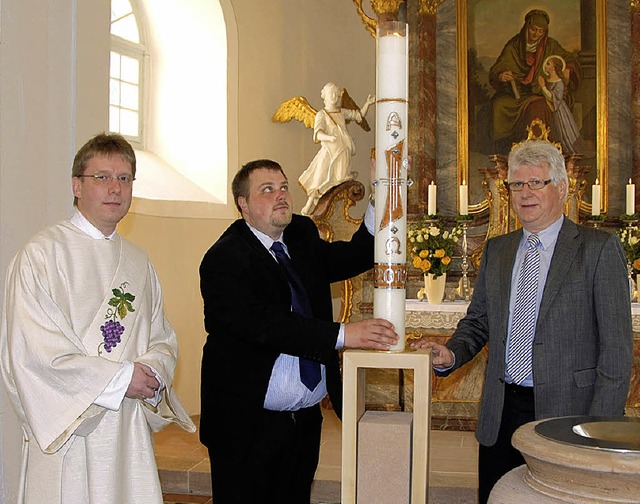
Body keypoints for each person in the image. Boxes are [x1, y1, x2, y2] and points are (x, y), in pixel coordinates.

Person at [411, 140, 633, 503]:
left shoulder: (596, 249)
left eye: (536, 183)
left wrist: (599, 429)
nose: (524, 193)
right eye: (516, 184)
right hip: (501, 412)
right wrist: (450, 354)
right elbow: (478, 322)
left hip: (568, 415)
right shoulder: (498, 250)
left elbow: (616, 351)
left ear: (561, 188)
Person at [0, 133, 196, 503]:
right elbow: (33, 354)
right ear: (77, 185)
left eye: (124, 178)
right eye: (102, 177)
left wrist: (152, 371)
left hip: (126, 434)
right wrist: (122, 379)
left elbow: (162, 337)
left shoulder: (139, 262)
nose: (115, 189)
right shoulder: (41, 256)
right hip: (68, 435)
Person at [199, 158, 398, 503]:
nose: (280, 196)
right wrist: (342, 334)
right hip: (247, 425)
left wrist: (381, 191)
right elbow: (264, 325)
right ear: (243, 205)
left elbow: (356, 256)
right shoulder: (224, 258)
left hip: (303, 423)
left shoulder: (301, 235)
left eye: (283, 187)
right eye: (267, 190)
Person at [489, 9, 581, 153]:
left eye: (540, 31)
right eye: (533, 29)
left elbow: (568, 59)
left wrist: (568, 68)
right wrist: (501, 75)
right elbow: (499, 67)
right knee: (499, 106)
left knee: (538, 107)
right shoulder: (514, 46)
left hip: (540, 92)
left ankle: (538, 150)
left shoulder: (550, 45)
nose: (536, 34)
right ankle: (505, 149)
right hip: (516, 93)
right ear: (526, 27)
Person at [299, 82, 375, 215]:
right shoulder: (321, 114)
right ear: (325, 96)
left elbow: (358, 115)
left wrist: (367, 104)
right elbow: (318, 133)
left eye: (336, 94)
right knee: (320, 177)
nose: (334, 96)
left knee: (341, 180)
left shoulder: (341, 112)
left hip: (343, 150)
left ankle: (338, 212)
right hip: (329, 151)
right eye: (331, 94)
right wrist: (329, 138)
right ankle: (309, 205)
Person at [538, 55, 588, 155]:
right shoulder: (547, 80)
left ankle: (564, 149)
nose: (545, 66)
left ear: (554, 68)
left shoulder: (559, 82)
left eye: (548, 64)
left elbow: (555, 99)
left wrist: (543, 87)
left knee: (562, 131)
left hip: (559, 111)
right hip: (550, 109)